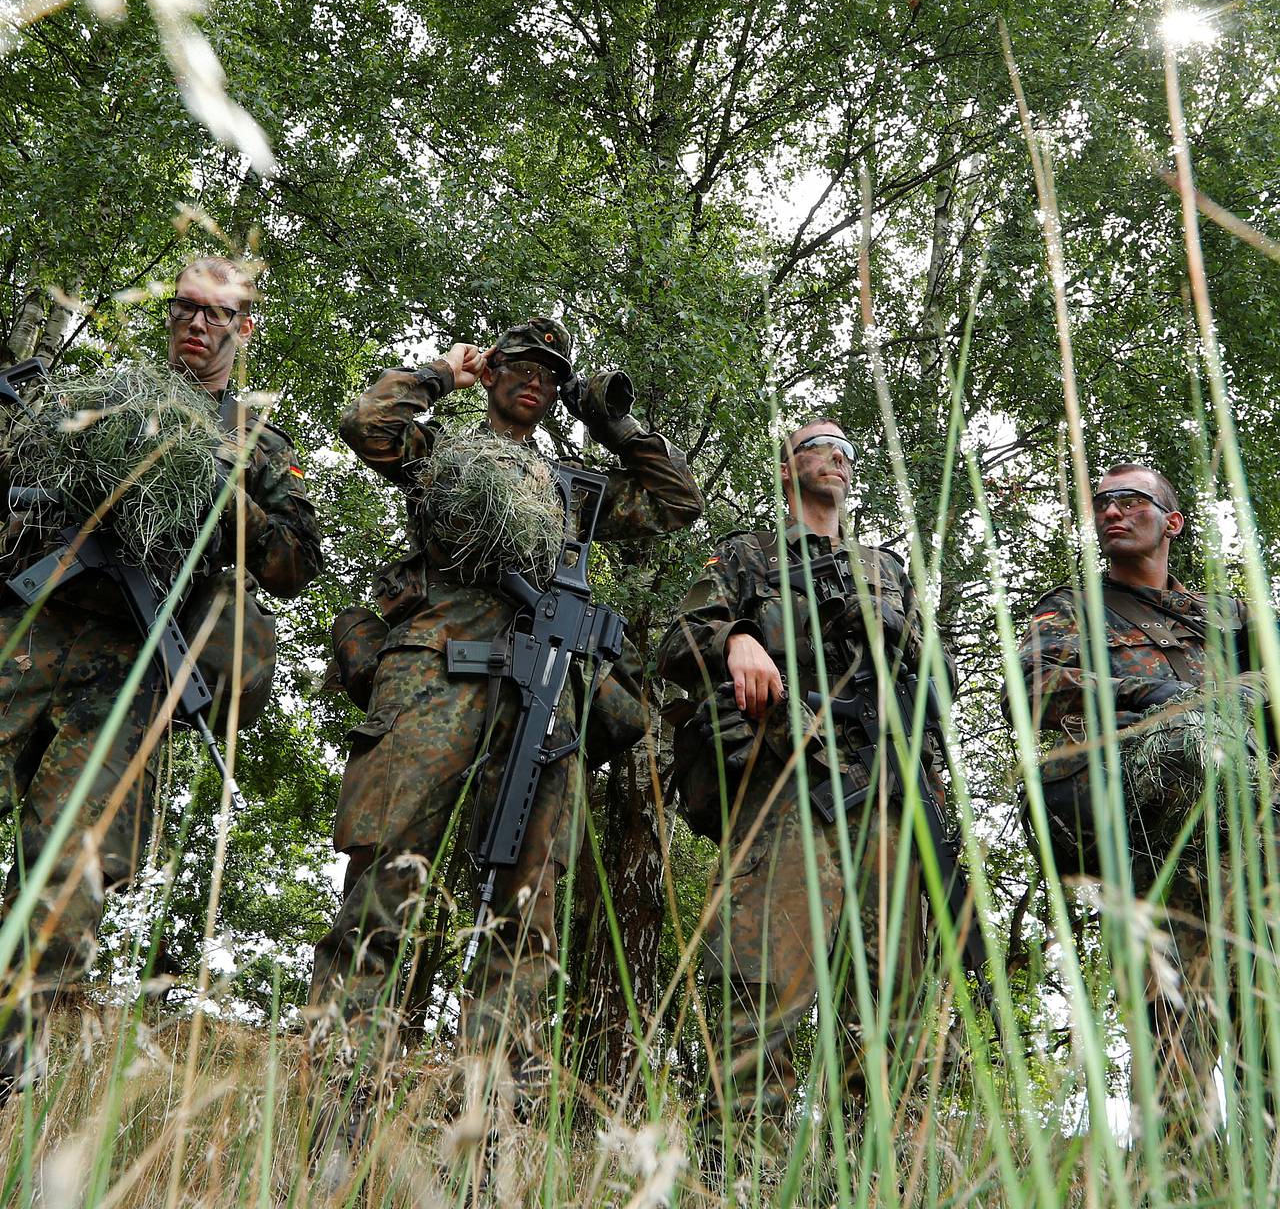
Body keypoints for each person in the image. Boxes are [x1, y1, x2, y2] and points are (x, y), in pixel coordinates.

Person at [309, 319, 701, 1120]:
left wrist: (609, 420)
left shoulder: (569, 490)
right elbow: (366, 426)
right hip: (433, 679)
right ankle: (338, 1112)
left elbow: (676, 501)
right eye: (520, 364)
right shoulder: (442, 458)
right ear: (492, 372)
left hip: (542, 697)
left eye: (553, 375)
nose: (537, 380)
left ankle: (492, 1135)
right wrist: (440, 374)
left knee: (526, 918)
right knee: (384, 883)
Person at [0, 257, 323, 1092]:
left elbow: (294, 559)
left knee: (67, 868)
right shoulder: (105, 392)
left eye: (218, 315)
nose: (197, 324)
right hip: (34, 626)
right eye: (184, 308)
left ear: (244, 331)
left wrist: (212, 486)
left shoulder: (257, 440)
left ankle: (10, 1047)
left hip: (134, 670)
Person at [656, 418, 952, 1158]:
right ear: (788, 469)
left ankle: (891, 1172)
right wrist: (735, 638)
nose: (837, 457)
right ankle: (738, 1172)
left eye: (847, 450)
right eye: (820, 445)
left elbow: (935, 684)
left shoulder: (885, 568)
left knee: (895, 1011)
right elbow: (676, 640)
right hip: (791, 790)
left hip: (888, 798)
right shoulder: (750, 555)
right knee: (759, 996)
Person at [1009, 462, 1266, 1135]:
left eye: (1131, 500)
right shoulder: (1071, 608)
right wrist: (1152, 696)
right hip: (1152, 846)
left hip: (1249, 848)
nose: (1112, 511)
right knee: (1175, 1026)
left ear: (1172, 522)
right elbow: (1036, 688)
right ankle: (1178, 1179)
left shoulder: (1228, 617)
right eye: (1102, 504)